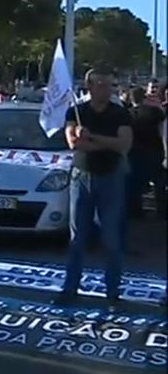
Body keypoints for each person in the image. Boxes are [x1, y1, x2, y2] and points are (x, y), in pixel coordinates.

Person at [57, 69, 133, 311]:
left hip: (111, 178)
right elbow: (74, 143)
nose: (107, 89)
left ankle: (113, 294)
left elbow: (124, 144)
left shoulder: (119, 113)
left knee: (111, 238)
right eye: (102, 84)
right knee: (78, 238)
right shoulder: (76, 112)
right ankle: (70, 289)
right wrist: (95, 142)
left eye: (110, 84)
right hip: (82, 178)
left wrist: (94, 138)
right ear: (89, 86)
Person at [126, 86, 166, 218]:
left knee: (135, 183)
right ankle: (162, 211)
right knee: (159, 182)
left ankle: (136, 212)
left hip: (134, 152)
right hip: (154, 149)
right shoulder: (155, 112)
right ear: (144, 97)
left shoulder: (127, 114)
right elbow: (162, 132)